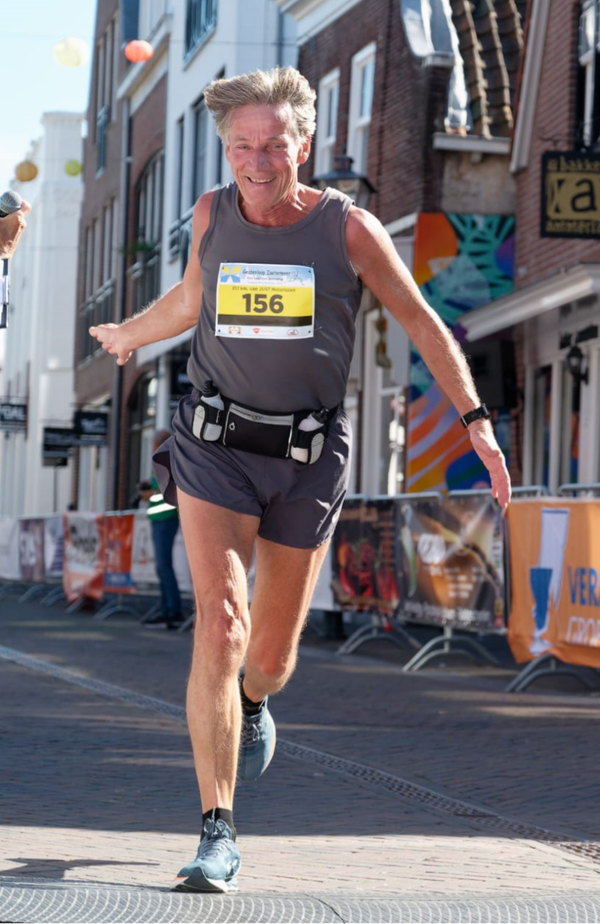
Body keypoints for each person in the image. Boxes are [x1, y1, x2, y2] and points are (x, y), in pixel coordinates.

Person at [90, 66, 511, 893]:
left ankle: (253, 702)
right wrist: (130, 333)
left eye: (272, 145)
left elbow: (424, 325)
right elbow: (192, 298)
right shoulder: (211, 212)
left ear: (304, 145)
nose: (256, 160)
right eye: (241, 145)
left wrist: (476, 421)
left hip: (308, 458)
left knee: (269, 658)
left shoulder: (347, 231)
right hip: (213, 443)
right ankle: (218, 828)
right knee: (221, 622)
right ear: (226, 148)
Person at [139, 429, 183, 630]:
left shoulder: (167, 460)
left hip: (165, 519)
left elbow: (166, 491)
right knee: (162, 567)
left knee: (164, 567)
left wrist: (148, 494)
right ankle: (167, 609)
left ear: (157, 444)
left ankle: (173, 611)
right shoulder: (167, 460)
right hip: (160, 519)